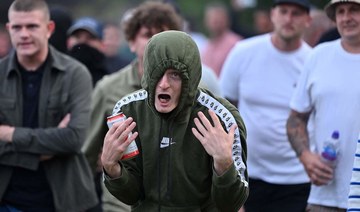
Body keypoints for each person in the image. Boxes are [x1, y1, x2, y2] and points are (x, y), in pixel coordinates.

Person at [101, 30, 248, 211]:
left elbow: (232, 204)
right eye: (158, 73)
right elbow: (131, 195)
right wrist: (111, 168)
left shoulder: (221, 117)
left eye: (175, 75)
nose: (164, 84)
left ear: (191, 79)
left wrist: (224, 163)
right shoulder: (128, 111)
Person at [82, 2, 184, 211]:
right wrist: (109, 158)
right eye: (147, 34)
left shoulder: (193, 89)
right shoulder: (108, 88)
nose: (154, 41)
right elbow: (86, 153)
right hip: (121, 204)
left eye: (162, 34)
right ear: (131, 42)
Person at [0, 0, 98, 211]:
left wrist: (10, 134)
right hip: (8, 200)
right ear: (9, 29)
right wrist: (45, 149)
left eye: (32, 26)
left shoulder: (75, 74)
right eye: (17, 27)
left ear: (49, 28)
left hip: (65, 201)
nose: (24, 34)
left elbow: (73, 139)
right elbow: (62, 140)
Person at [220, 0, 312, 211]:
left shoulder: (313, 60)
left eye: (296, 13)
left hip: (296, 178)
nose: (288, 19)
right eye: (284, 11)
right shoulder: (243, 52)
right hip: (248, 174)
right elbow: (223, 111)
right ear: (273, 14)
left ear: (308, 19)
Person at [286, 0, 360, 211]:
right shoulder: (318, 56)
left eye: (354, 10)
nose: (347, 18)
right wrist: (306, 157)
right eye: (341, 12)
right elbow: (296, 117)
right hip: (324, 197)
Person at [201, 2, 242, 78]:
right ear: (206, 21)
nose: (216, 23)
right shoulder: (206, 45)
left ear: (227, 20)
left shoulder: (236, 44)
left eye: (219, 19)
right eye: (213, 19)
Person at [67, 17, 109, 87]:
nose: (82, 42)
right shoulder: (57, 77)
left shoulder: (109, 79)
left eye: (90, 38)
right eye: (77, 37)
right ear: (68, 42)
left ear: (102, 45)